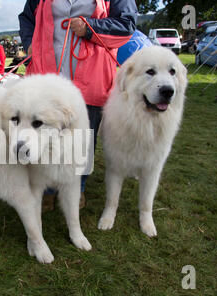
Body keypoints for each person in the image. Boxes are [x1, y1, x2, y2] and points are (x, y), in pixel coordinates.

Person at [19, 0, 137, 210]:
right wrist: (29, 41)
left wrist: (90, 27)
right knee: (43, 134)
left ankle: (77, 188)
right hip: (46, 72)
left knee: (83, 140)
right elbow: (27, 18)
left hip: (91, 76)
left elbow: (126, 26)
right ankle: (46, 189)